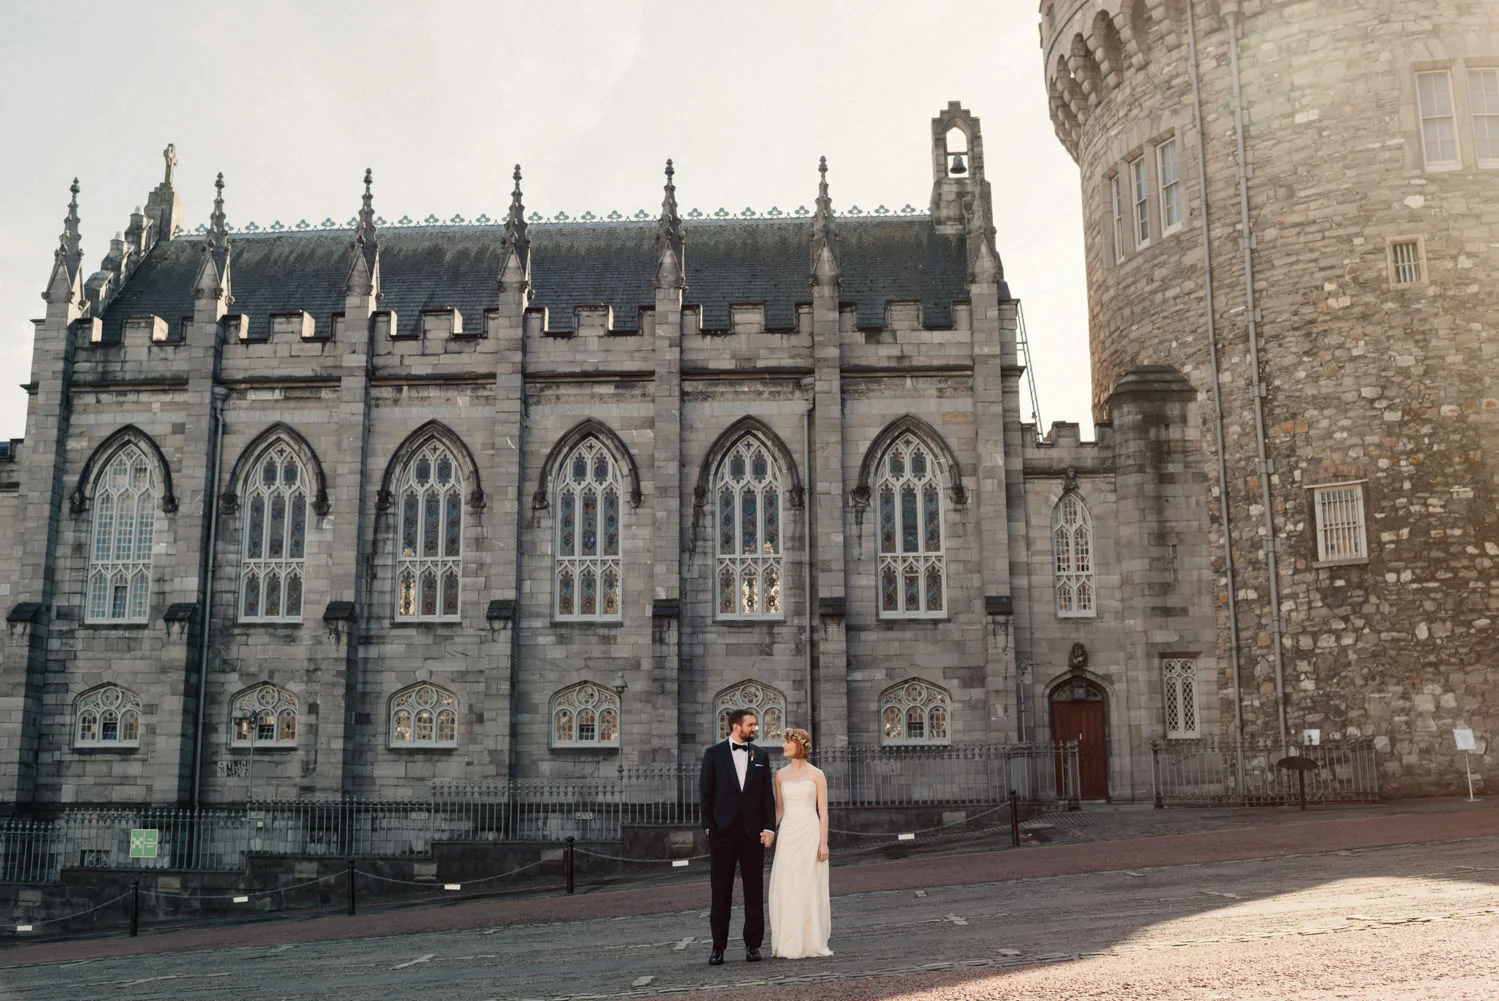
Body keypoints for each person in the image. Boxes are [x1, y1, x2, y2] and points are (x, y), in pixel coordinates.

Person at [699, 708, 776, 966]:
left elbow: (767, 796)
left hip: (753, 834)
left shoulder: (761, 756)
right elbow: (705, 794)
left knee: (754, 891)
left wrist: (769, 827)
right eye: (751, 725)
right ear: (736, 727)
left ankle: (753, 945)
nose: (755, 728)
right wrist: (709, 826)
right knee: (721, 892)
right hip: (722, 834)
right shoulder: (713, 754)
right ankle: (717, 948)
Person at [767, 727, 833, 958]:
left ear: (799, 745)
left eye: (787, 742)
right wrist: (770, 831)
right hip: (788, 834)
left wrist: (823, 843)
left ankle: (810, 940)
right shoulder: (780, 775)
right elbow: (779, 809)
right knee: (788, 884)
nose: (783, 746)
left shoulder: (817, 775)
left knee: (808, 883)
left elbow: (823, 812)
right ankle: (788, 942)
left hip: (810, 832)